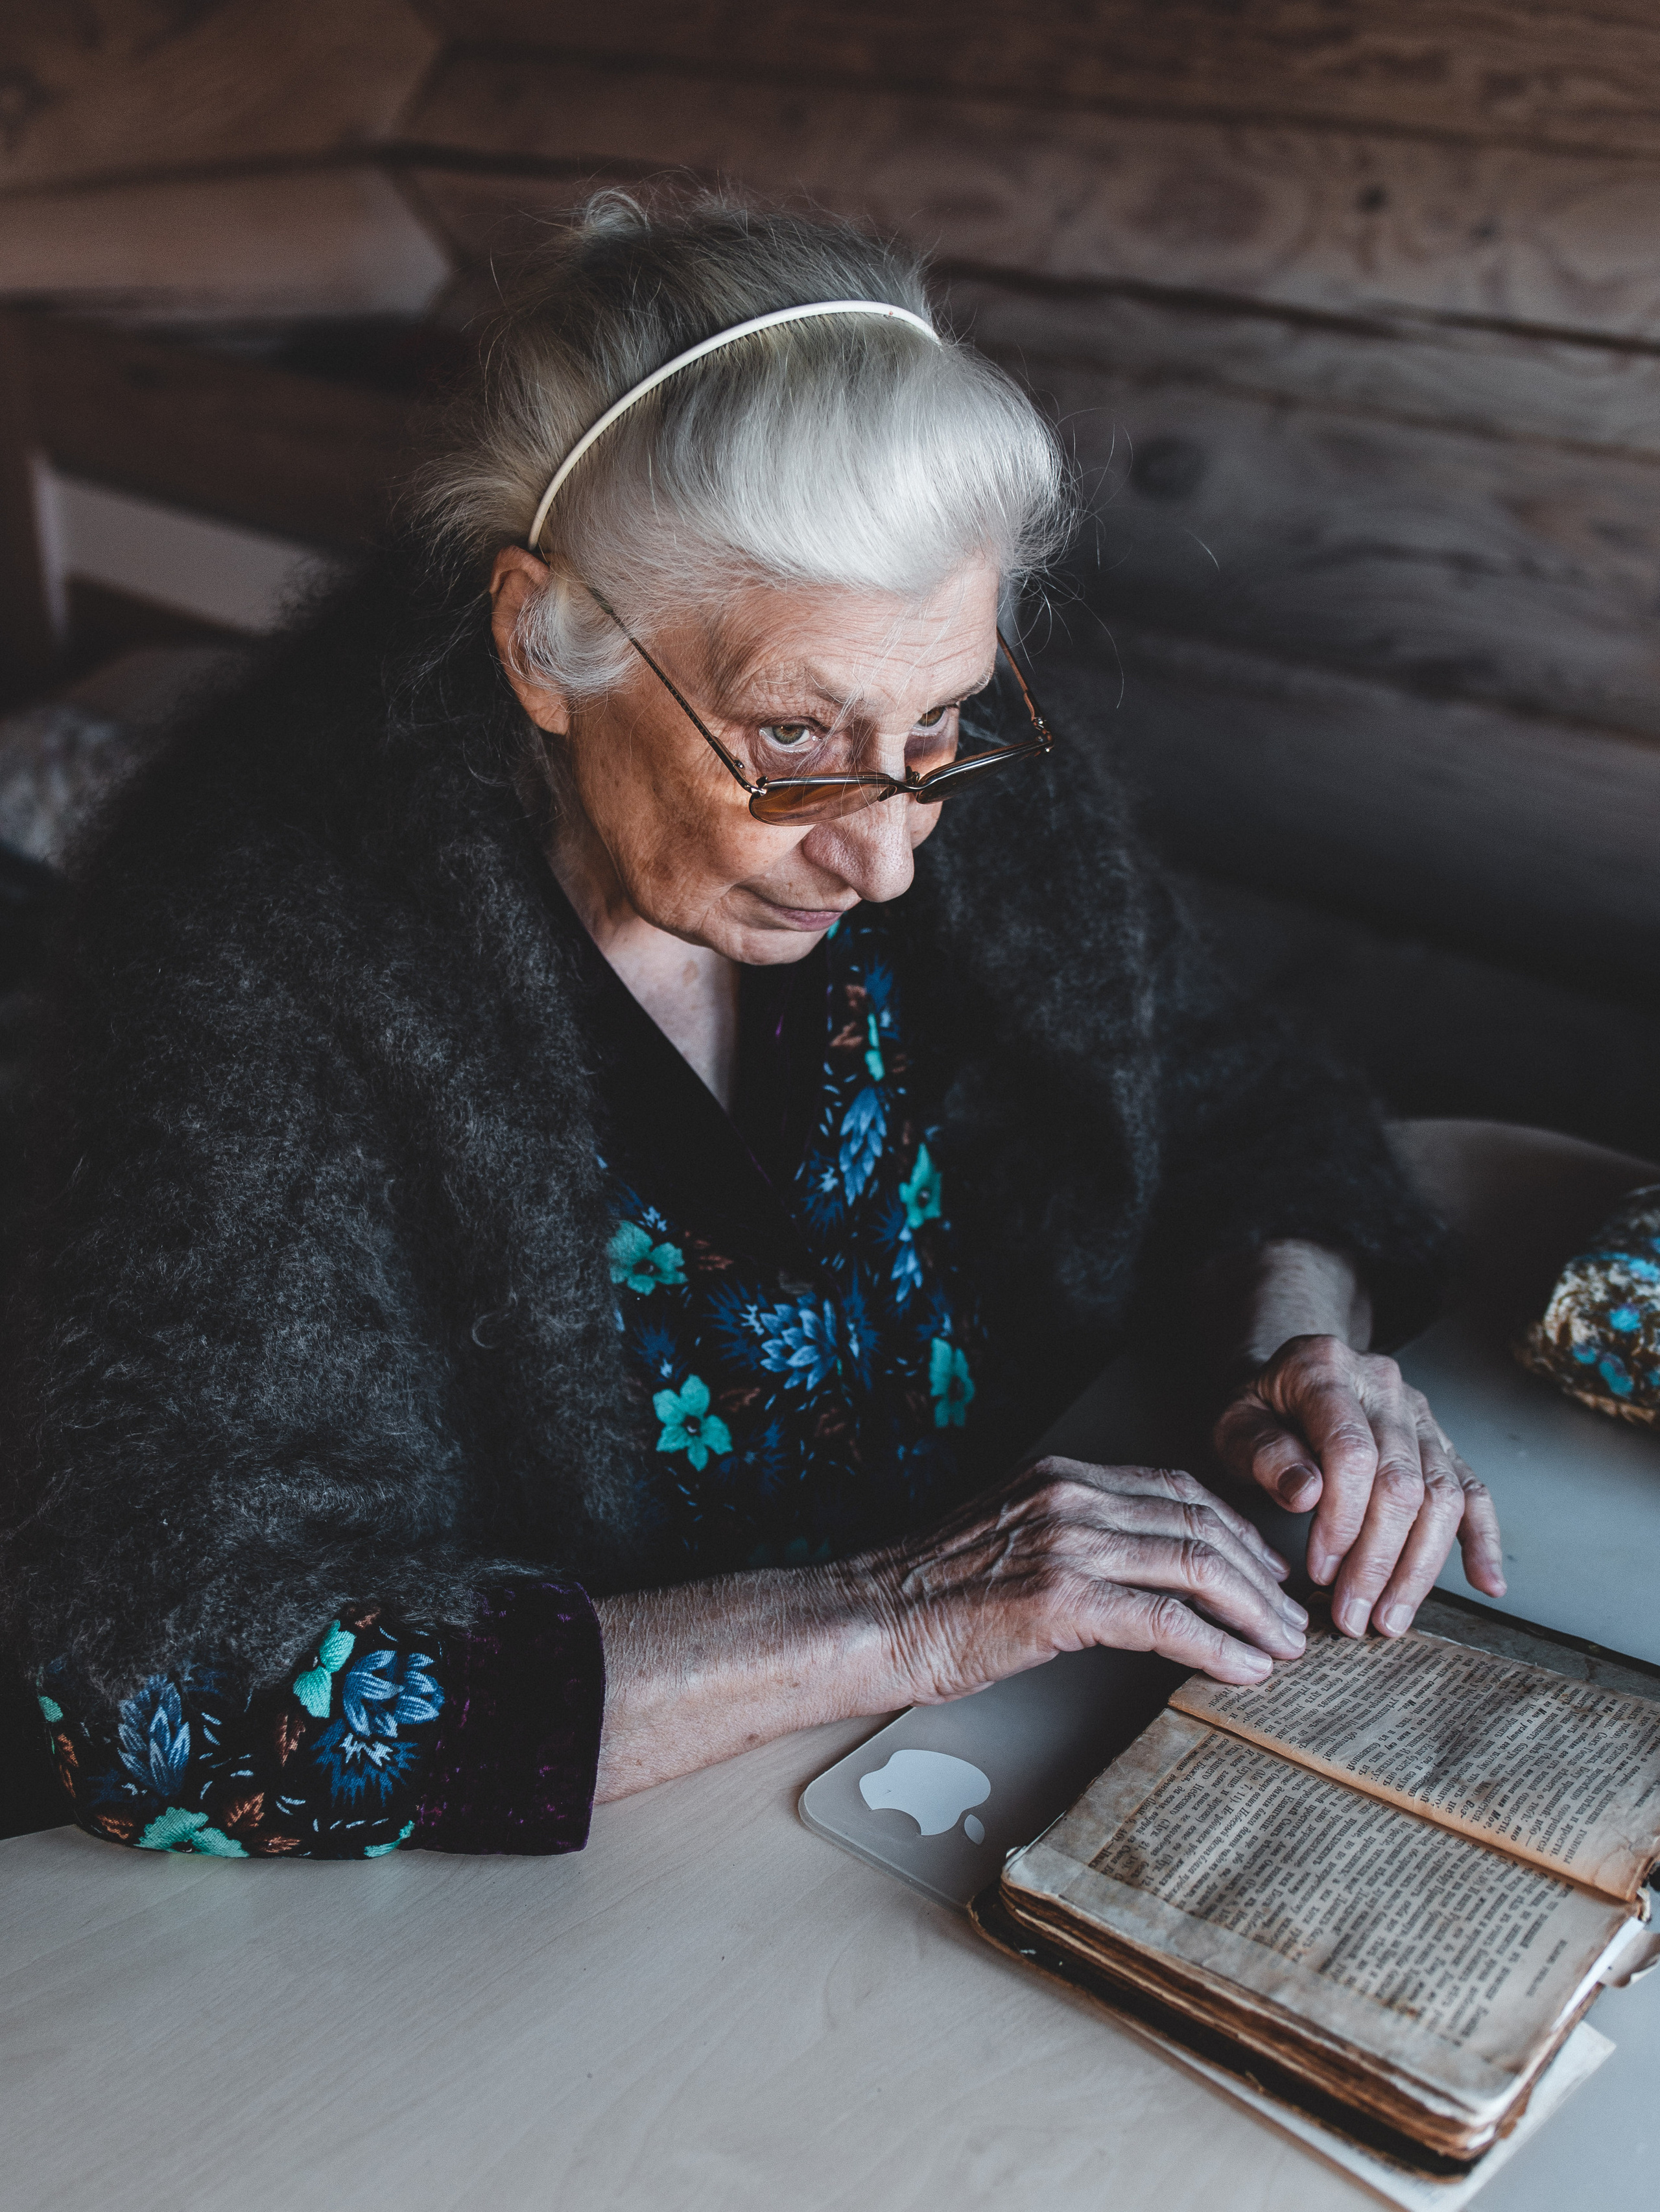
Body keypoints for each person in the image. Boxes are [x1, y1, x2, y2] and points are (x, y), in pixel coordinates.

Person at [0, 194, 1503, 1861]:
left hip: (978, 1767)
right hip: (597, 1900)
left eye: (938, 724)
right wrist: (905, 1613)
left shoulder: (940, 798)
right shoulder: (269, 947)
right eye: (791, 738)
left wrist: (1292, 1349)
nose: (888, 850)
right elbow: (165, 1685)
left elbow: (1242, 1100)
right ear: (542, 644)